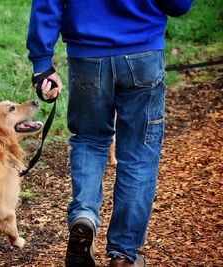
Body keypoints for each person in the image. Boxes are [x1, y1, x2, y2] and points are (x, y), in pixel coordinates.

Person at [26, 1, 193, 266]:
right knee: (139, 152)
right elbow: (179, 5)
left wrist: (42, 61)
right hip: (143, 50)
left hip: (87, 55)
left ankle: (84, 216)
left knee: (89, 140)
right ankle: (123, 254)